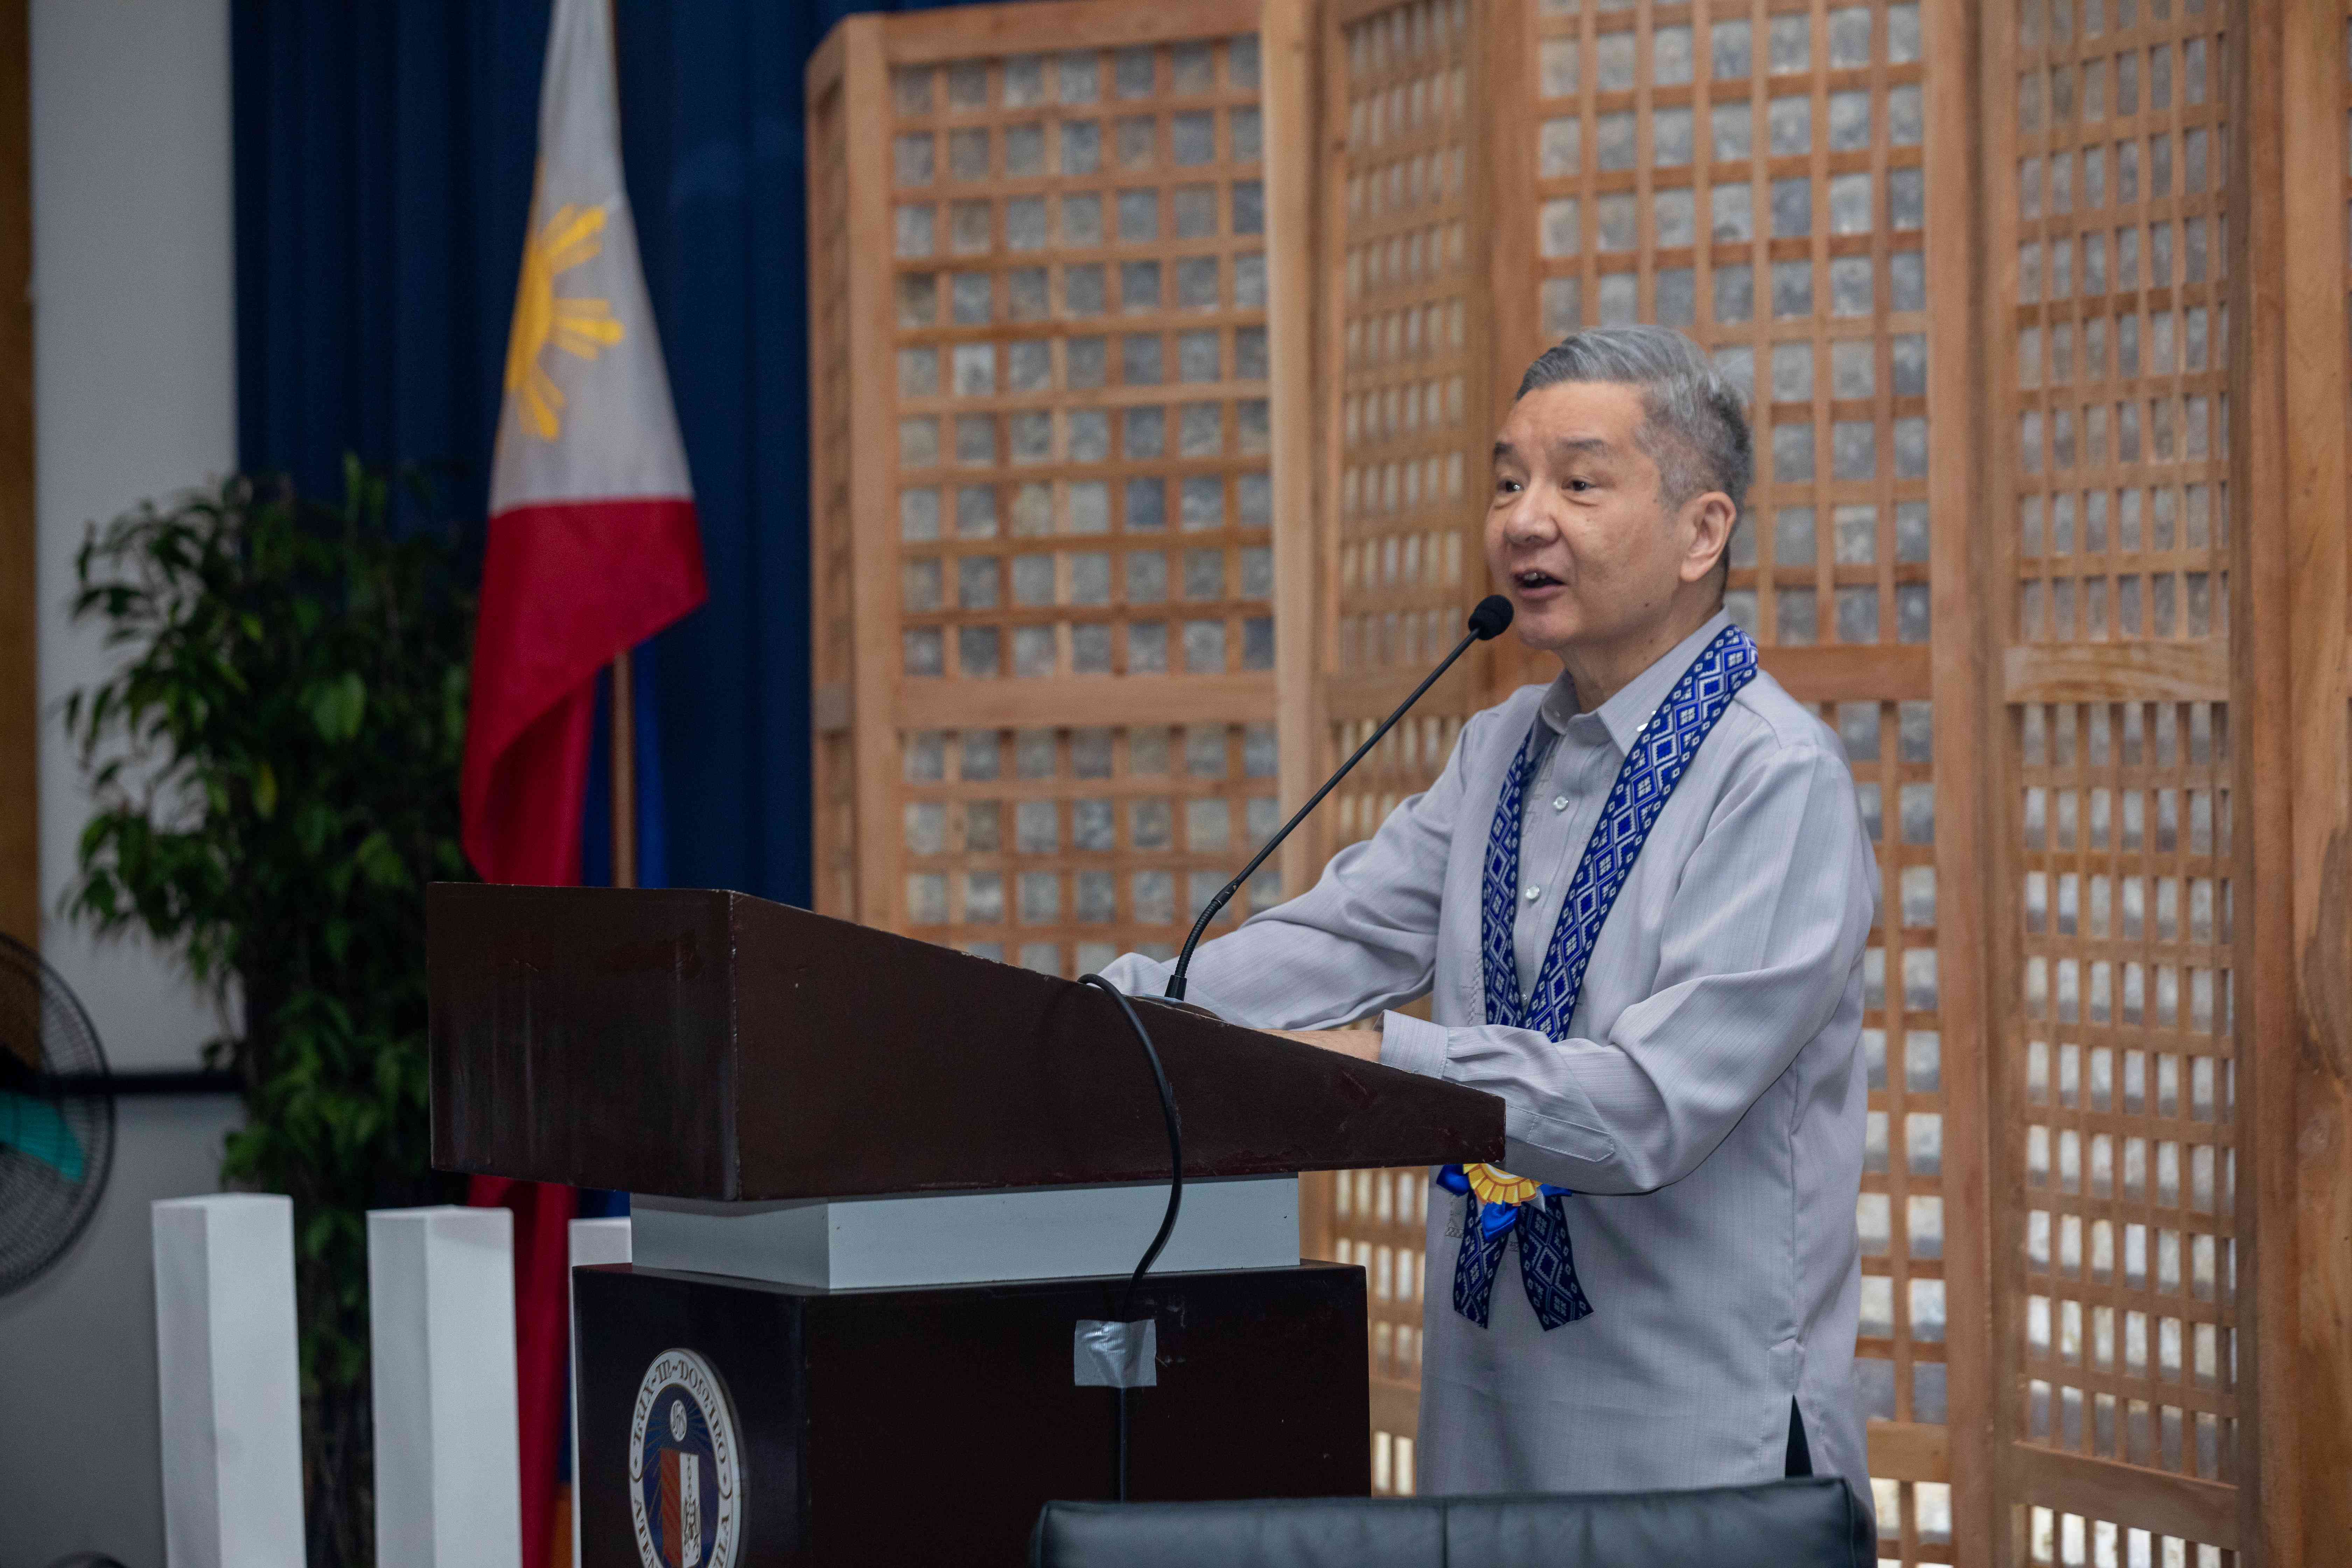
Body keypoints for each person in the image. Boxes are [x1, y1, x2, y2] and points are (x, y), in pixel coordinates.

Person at [1097, 324, 1877, 1505]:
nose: (1525, 519)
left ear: (1701, 531)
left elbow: (1650, 1109)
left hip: (1694, 1435)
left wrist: (1373, 1064)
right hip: (1488, 1405)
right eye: (1508, 481)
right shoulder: (1499, 744)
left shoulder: (1775, 776)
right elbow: (1339, 941)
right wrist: (1125, 1012)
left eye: (1578, 481)